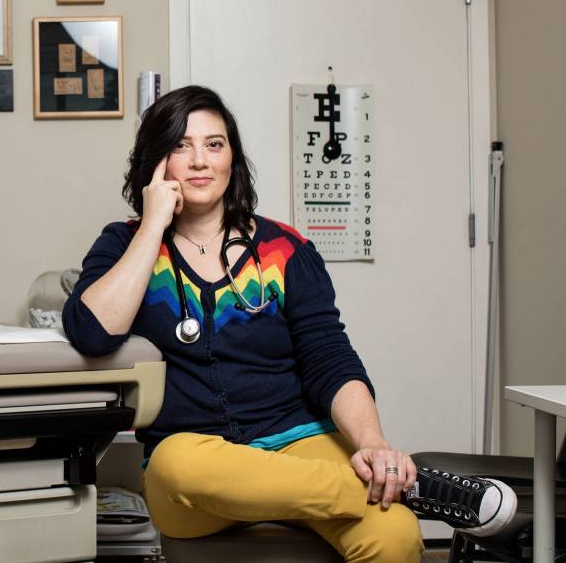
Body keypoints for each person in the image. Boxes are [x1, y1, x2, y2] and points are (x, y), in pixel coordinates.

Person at [62, 85, 517, 562]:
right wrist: (153, 223)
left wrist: (374, 445)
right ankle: (408, 488)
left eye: (214, 145)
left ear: (232, 160)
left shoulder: (285, 250)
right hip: (199, 472)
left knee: (394, 535)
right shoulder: (125, 243)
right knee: (174, 465)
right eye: (181, 145)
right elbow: (93, 334)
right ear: (157, 162)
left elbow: (330, 359)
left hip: (299, 445)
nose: (199, 160)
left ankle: (386, 486)